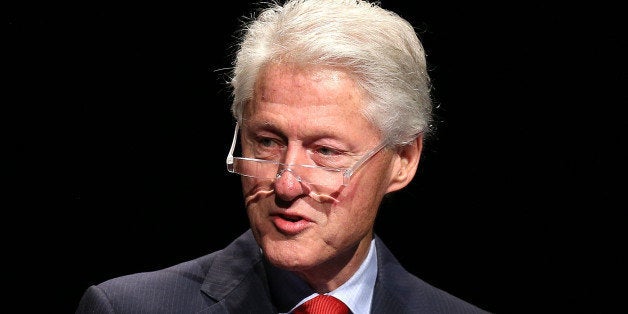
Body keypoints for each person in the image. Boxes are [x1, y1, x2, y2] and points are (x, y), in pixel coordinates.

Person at [76, 0, 490, 313]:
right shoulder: (129, 307)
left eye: (326, 151)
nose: (286, 184)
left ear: (403, 159)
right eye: (268, 142)